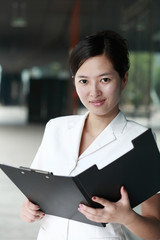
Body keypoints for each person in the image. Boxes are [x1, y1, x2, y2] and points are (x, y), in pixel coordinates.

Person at [20, 30, 160, 240]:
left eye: (104, 79)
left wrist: (127, 217)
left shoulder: (139, 141)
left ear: (124, 79)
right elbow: (35, 194)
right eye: (83, 81)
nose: (94, 92)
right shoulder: (56, 128)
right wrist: (28, 210)